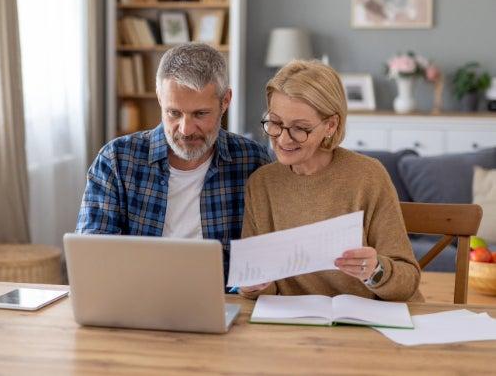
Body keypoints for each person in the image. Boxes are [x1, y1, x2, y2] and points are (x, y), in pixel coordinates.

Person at [76, 43, 271, 280]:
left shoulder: (253, 161)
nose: (186, 130)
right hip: (138, 301)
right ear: (160, 98)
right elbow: (93, 257)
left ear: (225, 101)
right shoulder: (116, 160)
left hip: (223, 303)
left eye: (200, 114)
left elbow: (266, 252)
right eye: (174, 113)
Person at [240, 60, 423, 302]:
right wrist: (254, 286)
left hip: (366, 323)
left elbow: (407, 279)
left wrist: (375, 271)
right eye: (275, 123)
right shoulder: (262, 184)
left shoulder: (368, 176)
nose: (283, 138)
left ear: (330, 125)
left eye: (300, 128)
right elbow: (263, 289)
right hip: (294, 326)